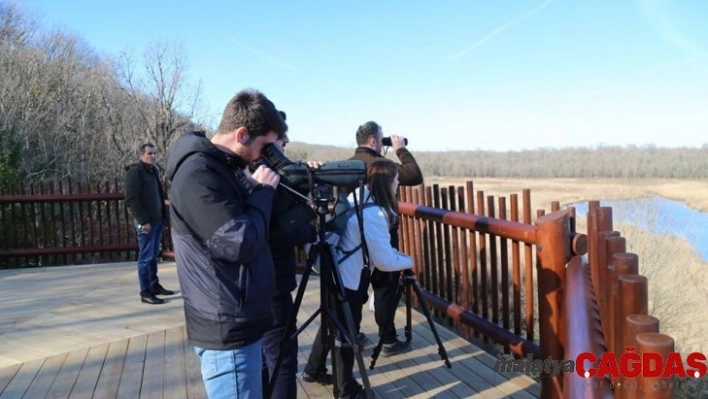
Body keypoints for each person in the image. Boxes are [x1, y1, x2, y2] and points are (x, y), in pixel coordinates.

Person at [165, 89, 284, 399]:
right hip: (226, 324)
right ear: (242, 134)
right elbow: (238, 241)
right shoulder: (198, 174)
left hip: (239, 315)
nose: (264, 155)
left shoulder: (224, 167)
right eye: (264, 146)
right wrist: (262, 193)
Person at [302, 160, 414, 399]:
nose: (398, 184)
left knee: (331, 323)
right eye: (395, 179)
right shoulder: (373, 213)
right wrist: (409, 262)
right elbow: (384, 261)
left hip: (333, 269)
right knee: (347, 332)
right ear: (387, 183)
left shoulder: (356, 197)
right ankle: (347, 389)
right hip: (348, 279)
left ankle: (313, 369)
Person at [349, 121, 423, 356]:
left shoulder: (347, 165)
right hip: (382, 232)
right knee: (384, 288)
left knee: (356, 288)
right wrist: (400, 148)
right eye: (383, 140)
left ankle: (352, 336)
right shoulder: (382, 166)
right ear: (373, 141)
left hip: (353, 237)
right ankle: (388, 340)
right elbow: (414, 175)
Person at [260, 114, 319, 398]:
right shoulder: (264, 177)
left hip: (258, 283)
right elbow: (276, 232)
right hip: (272, 283)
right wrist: (309, 213)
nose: (283, 149)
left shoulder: (255, 171)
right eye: (280, 142)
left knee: (262, 357)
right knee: (282, 360)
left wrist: (305, 181)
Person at [124, 143, 174, 305]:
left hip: (157, 219)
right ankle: (145, 292)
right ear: (141, 155)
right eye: (149, 153)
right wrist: (143, 221)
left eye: (154, 153)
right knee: (145, 258)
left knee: (153, 256)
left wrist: (163, 209)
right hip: (146, 222)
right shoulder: (135, 172)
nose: (152, 156)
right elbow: (131, 199)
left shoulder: (152, 171)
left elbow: (156, 194)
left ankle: (154, 286)